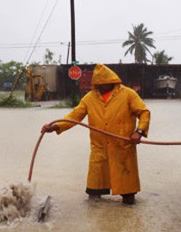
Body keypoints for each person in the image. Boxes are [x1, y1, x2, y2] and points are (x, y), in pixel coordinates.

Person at [42, 63, 150, 205]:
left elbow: (144, 112)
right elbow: (74, 116)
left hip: (122, 148)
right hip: (99, 149)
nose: (99, 87)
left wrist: (139, 131)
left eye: (102, 84)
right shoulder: (90, 98)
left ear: (111, 82)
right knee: (93, 200)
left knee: (128, 198)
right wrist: (56, 126)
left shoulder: (128, 94)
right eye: (96, 84)